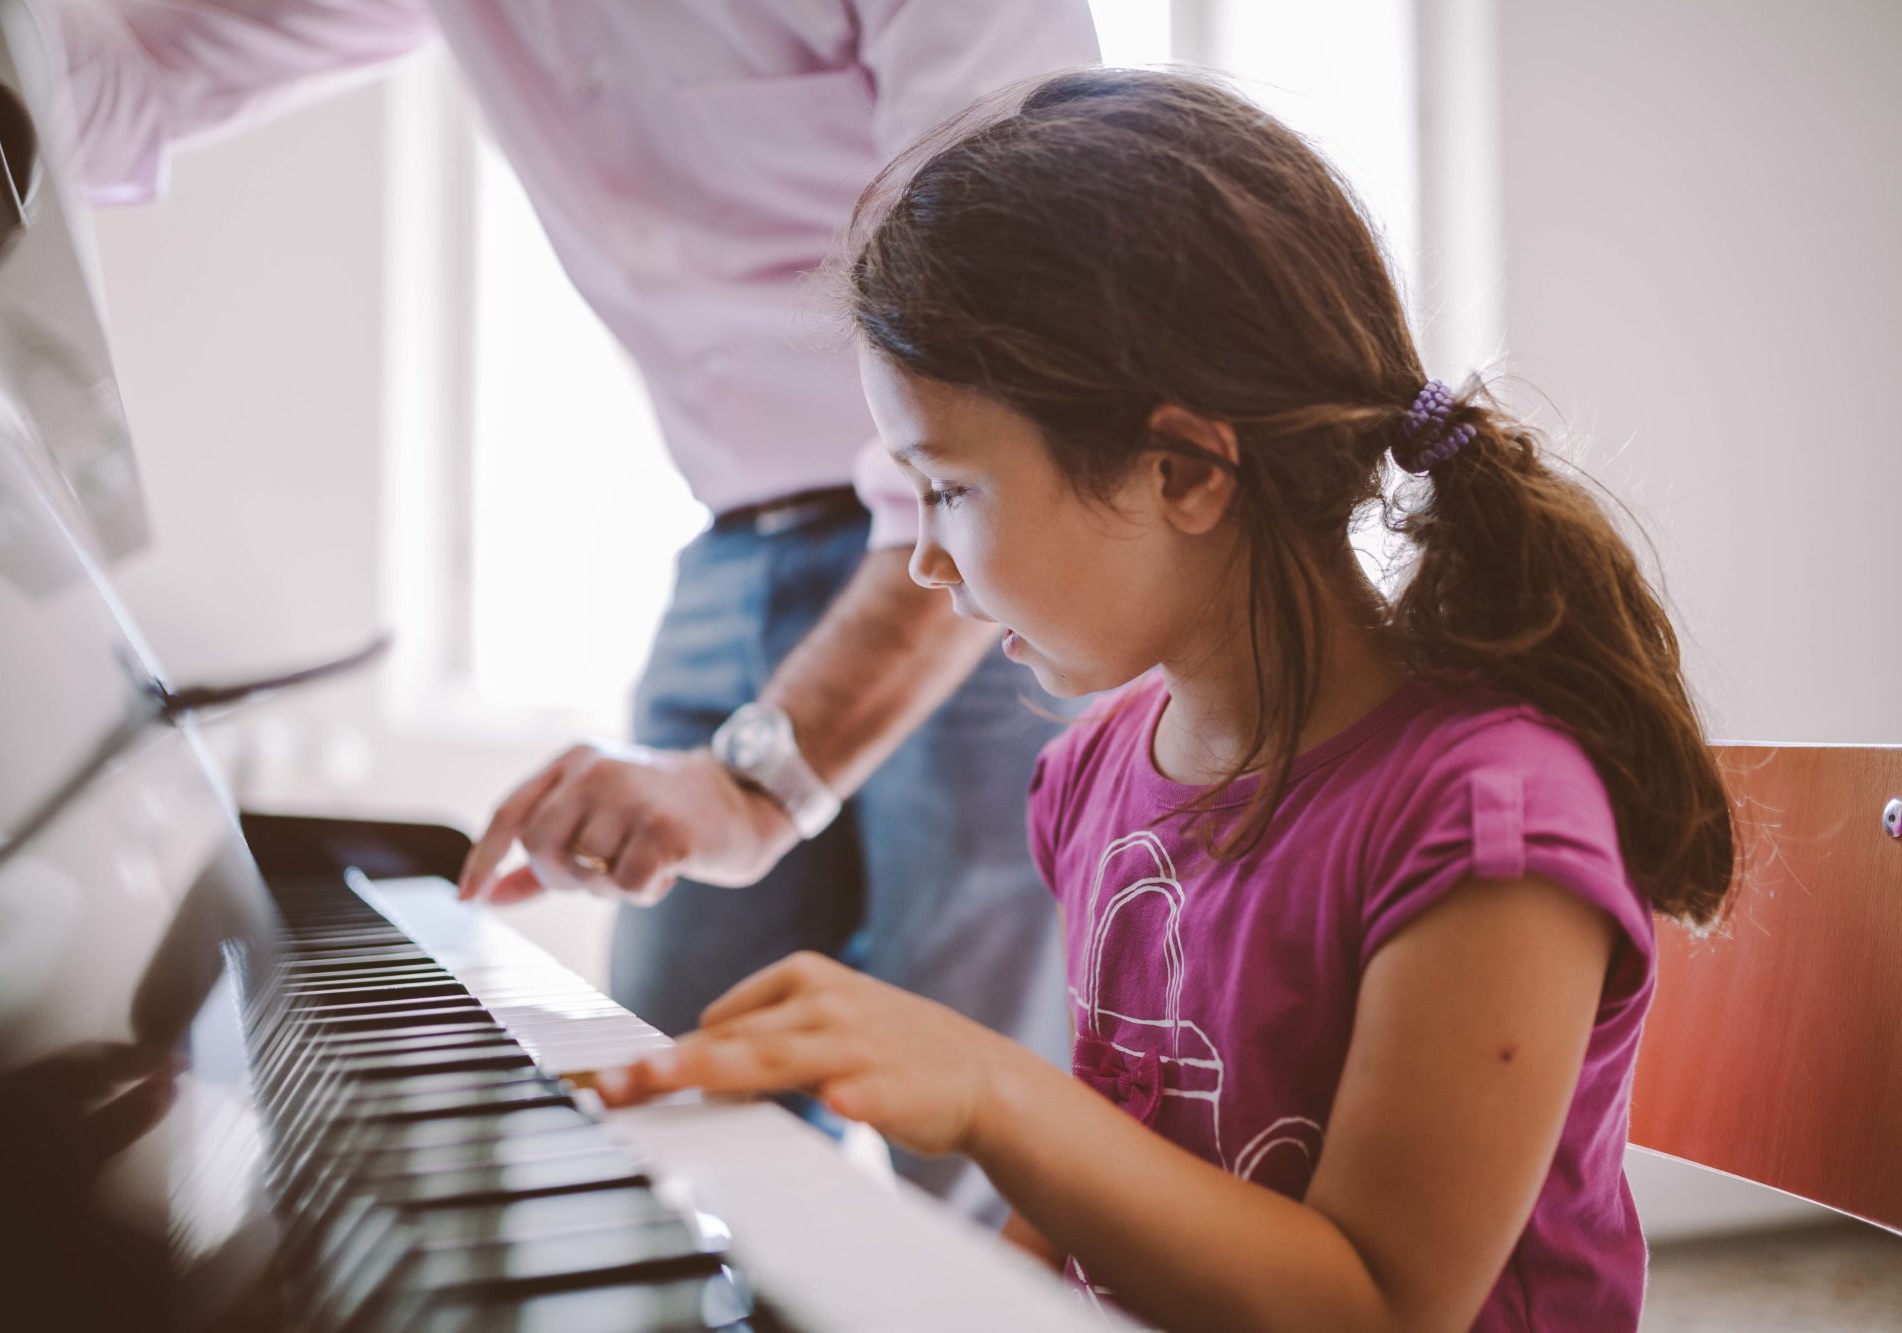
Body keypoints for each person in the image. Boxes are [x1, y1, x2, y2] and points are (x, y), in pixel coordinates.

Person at [595, 67, 1736, 1331]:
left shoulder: (1486, 825)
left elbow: (1379, 1307)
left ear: (1182, 469)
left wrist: (984, 1087)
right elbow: (1102, 1198)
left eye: (951, 489)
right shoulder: (1094, 775)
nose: (922, 559)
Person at [59, 1, 1099, 1217]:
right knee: (678, 1133)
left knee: (989, 1172)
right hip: (730, 544)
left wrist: (754, 782)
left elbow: (1020, 330)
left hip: (969, 556)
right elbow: (110, 89)